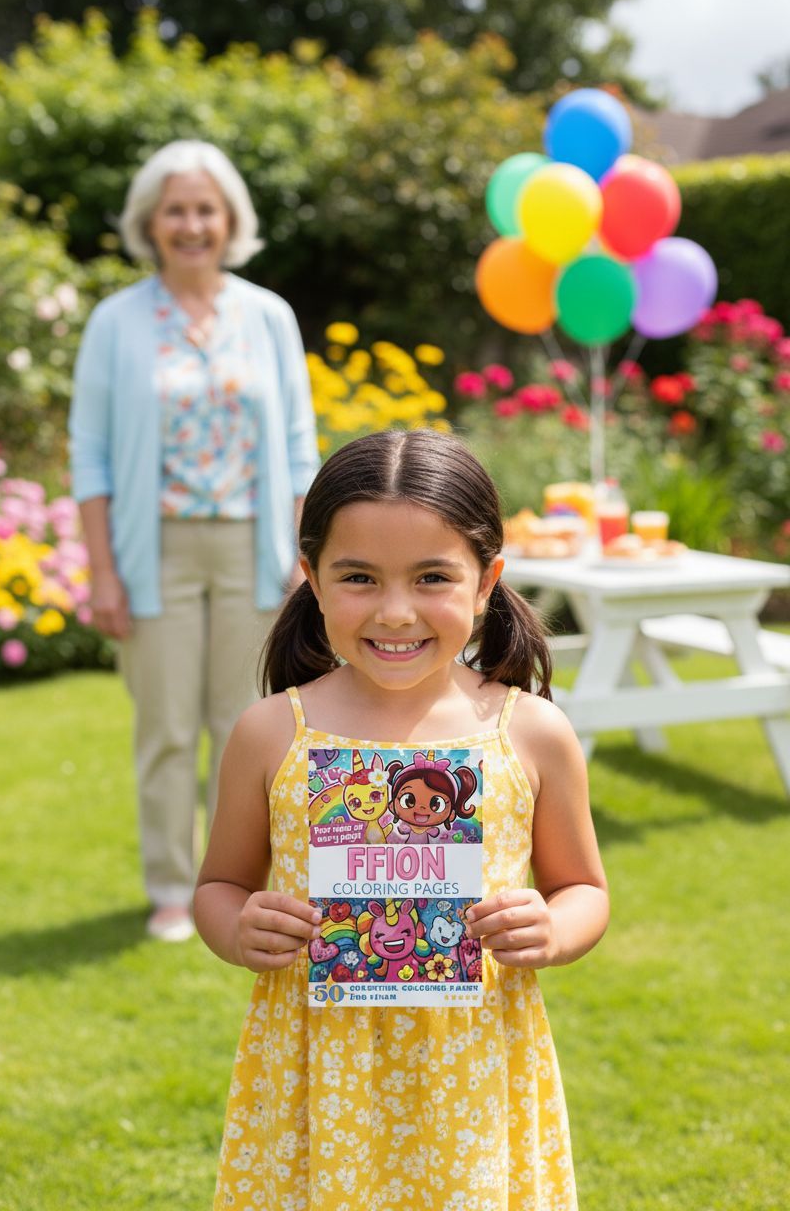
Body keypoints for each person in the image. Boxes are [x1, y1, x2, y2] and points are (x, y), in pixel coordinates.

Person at [194, 428, 609, 1210]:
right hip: (317, 1076)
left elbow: (584, 887)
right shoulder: (272, 733)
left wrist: (552, 929)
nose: (394, 612)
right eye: (358, 577)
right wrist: (238, 926)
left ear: (486, 581)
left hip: (475, 1075)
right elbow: (219, 882)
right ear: (310, 577)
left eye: (431, 578)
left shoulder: (529, 732)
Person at [69, 140, 319, 942]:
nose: (191, 224)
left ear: (230, 220)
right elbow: (91, 455)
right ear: (150, 221)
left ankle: (245, 888)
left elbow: (297, 445)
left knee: (248, 724)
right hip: (156, 553)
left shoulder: (267, 316)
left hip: (256, 548)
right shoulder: (116, 321)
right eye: (175, 209)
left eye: (205, 208)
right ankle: (174, 891)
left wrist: (305, 559)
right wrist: (103, 571)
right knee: (168, 729)